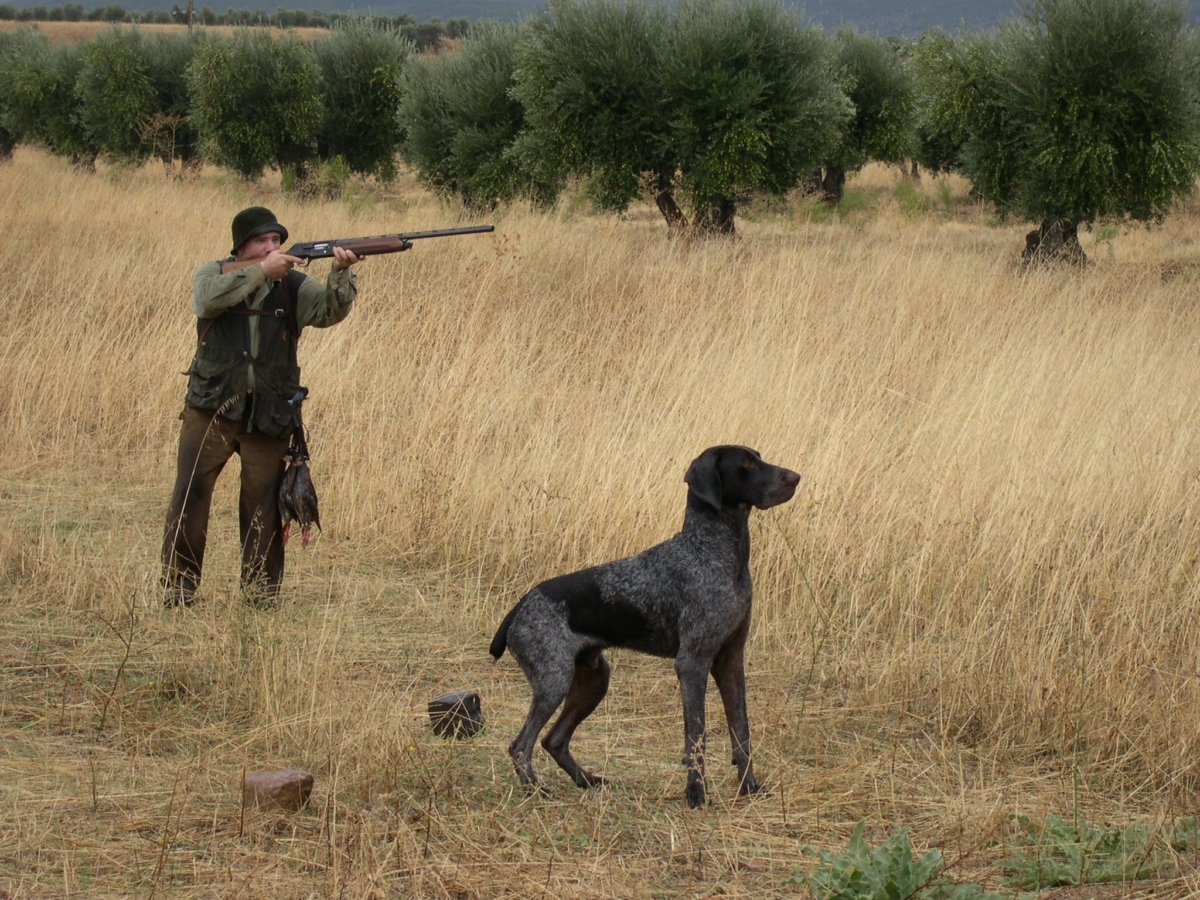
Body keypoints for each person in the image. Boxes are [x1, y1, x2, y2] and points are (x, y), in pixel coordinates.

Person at [162, 207, 361, 608]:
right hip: (211, 408)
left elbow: (328, 310)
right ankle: (178, 588)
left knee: (264, 507)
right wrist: (260, 272)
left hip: (269, 413)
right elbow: (206, 302)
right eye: (262, 241)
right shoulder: (212, 273)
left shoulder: (292, 285)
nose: (273, 248)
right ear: (241, 247)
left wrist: (341, 273)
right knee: (190, 495)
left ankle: (260, 595)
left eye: (277, 241)